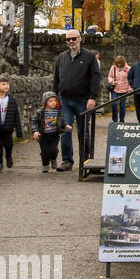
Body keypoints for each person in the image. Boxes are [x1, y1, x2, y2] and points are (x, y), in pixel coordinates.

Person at [52, 29, 99, 172]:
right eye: (68, 39)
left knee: (83, 132)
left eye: (73, 38)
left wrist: (92, 97)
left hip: (83, 100)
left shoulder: (90, 57)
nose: (71, 41)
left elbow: (95, 78)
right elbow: (56, 78)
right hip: (65, 100)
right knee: (65, 130)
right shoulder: (61, 57)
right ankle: (67, 160)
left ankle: (86, 161)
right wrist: (54, 97)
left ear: (80, 39)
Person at [31, 91, 70, 173]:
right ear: (45, 102)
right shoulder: (40, 112)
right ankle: (45, 165)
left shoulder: (58, 111)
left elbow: (61, 121)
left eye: (55, 101)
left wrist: (66, 125)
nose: (53, 103)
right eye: (50, 101)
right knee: (45, 152)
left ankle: (53, 159)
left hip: (54, 135)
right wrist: (35, 131)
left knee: (53, 150)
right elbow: (33, 122)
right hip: (43, 136)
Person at [107, 54, 131, 123]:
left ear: (123, 63)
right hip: (115, 89)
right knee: (114, 104)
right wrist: (111, 81)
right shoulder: (113, 67)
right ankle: (114, 120)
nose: (118, 65)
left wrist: (130, 88)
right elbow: (109, 76)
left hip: (124, 90)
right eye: (117, 63)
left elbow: (131, 79)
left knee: (122, 105)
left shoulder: (128, 69)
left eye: (120, 63)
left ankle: (121, 120)